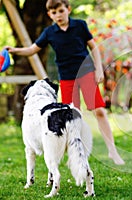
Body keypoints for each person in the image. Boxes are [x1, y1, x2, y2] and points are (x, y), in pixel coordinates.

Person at [6, 0, 125, 165]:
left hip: (86, 73)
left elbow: (94, 47)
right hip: (67, 79)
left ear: (68, 9)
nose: (58, 15)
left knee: (99, 111)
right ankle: (76, 155)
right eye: (54, 13)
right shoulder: (49, 32)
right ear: (50, 15)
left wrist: (98, 69)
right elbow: (32, 49)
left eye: (61, 11)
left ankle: (112, 151)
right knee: (71, 117)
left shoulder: (80, 26)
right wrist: (13, 50)